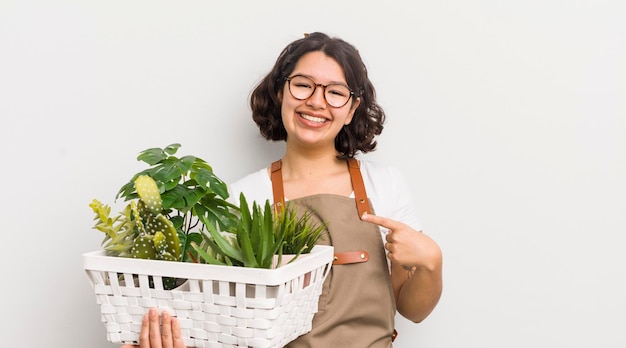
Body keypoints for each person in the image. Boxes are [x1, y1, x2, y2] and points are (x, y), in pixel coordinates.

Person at [122, 32, 442, 348]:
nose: (316, 101)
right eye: (303, 85)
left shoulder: (385, 185)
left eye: (335, 92)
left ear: (352, 107)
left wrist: (432, 263)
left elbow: (412, 310)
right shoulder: (242, 197)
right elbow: (222, 323)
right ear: (280, 92)